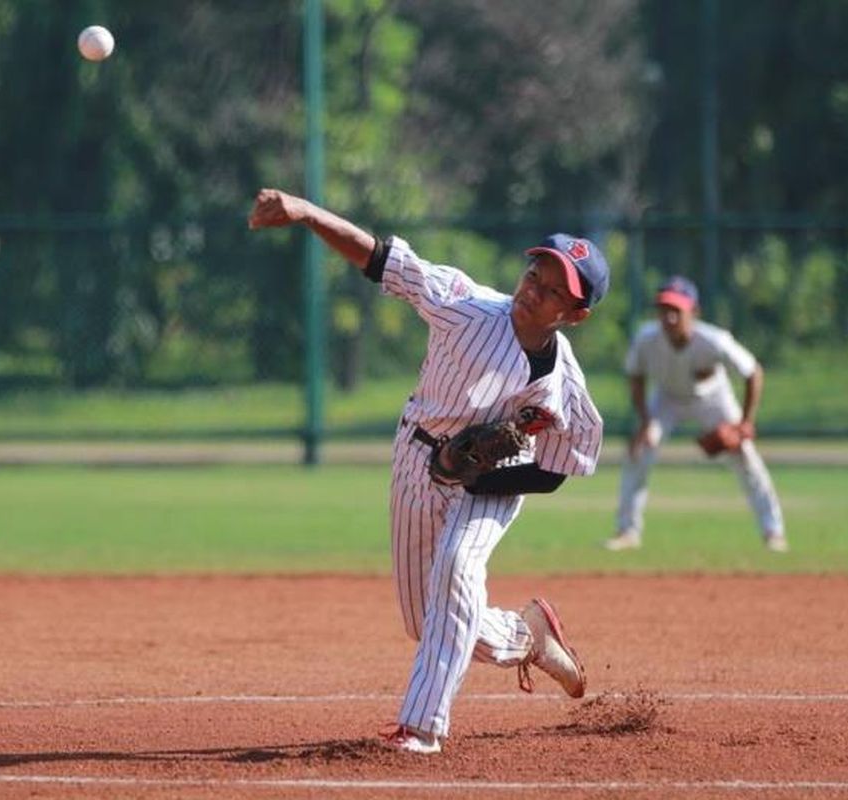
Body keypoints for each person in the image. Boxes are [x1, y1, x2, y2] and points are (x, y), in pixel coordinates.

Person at [248, 188, 609, 754]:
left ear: (575, 315)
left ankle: (422, 727)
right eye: (534, 275)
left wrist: (475, 478)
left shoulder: (566, 387)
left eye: (551, 291)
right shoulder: (465, 306)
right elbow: (382, 260)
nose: (532, 290)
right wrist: (306, 212)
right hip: (417, 456)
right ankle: (528, 637)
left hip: (496, 480)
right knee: (428, 620)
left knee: (458, 569)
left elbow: (557, 469)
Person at [605, 275, 787, 553]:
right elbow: (635, 376)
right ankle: (627, 532)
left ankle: (773, 531)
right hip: (665, 398)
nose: (669, 317)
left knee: (746, 456)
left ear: (694, 312)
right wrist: (644, 422)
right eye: (664, 310)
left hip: (712, 398)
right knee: (640, 452)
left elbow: (753, 372)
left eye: (676, 310)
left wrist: (745, 423)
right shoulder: (646, 338)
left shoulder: (714, 340)